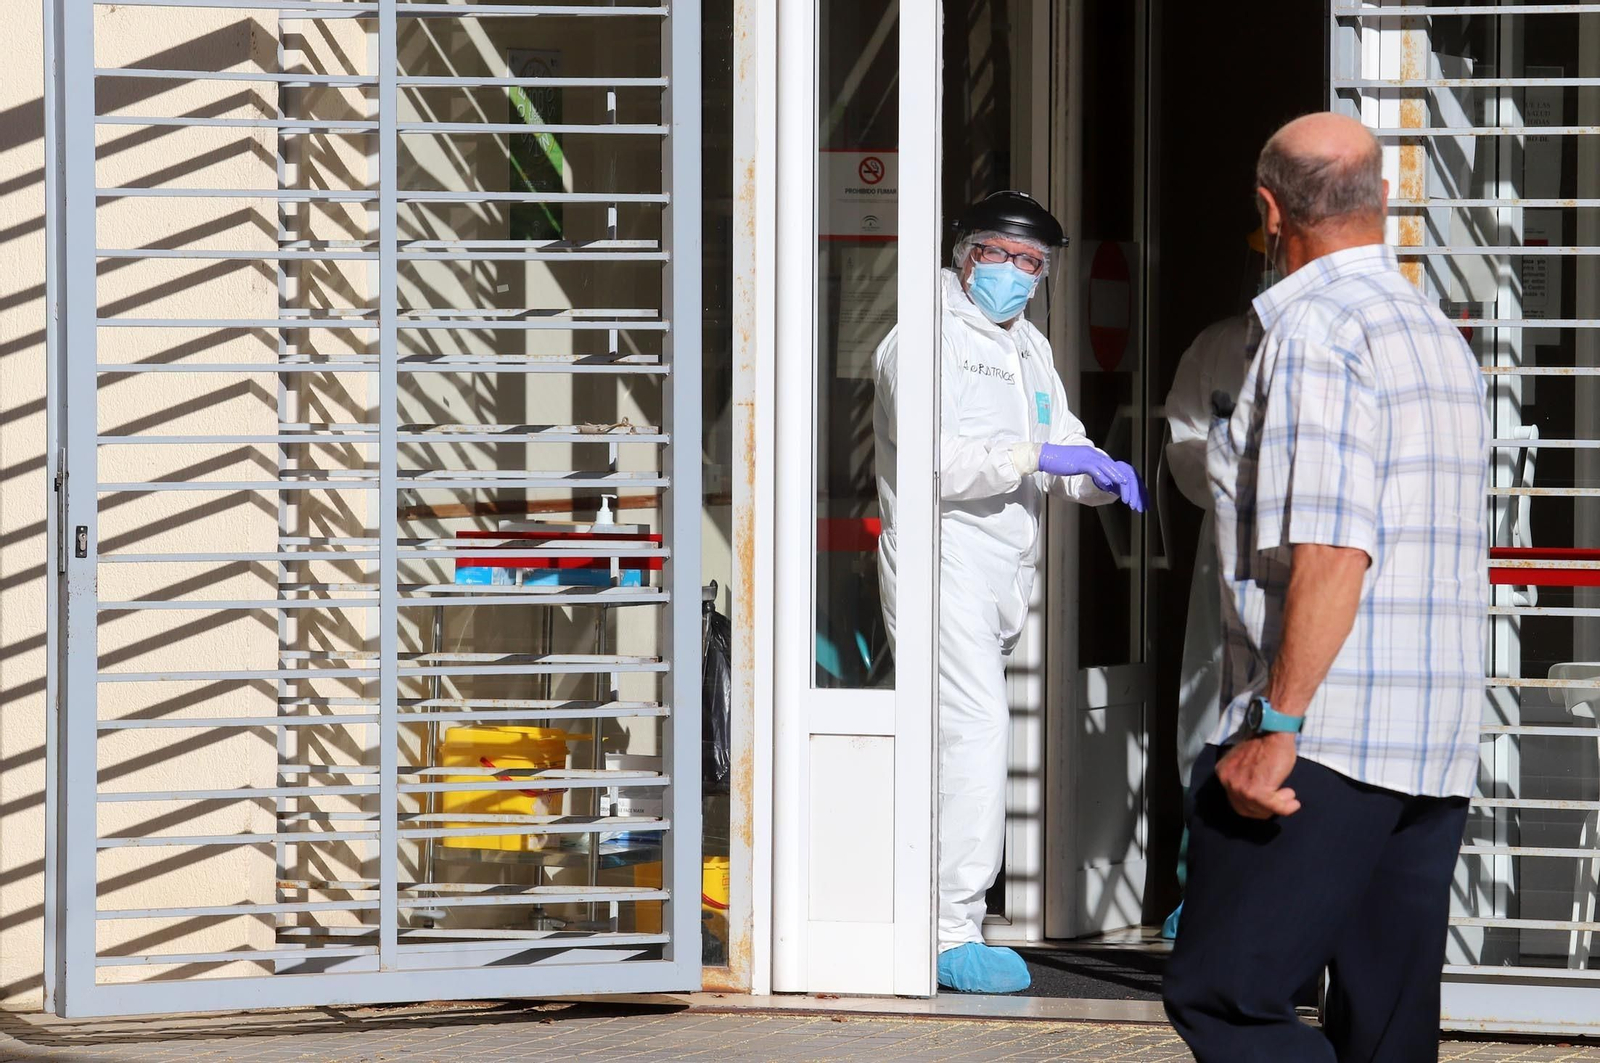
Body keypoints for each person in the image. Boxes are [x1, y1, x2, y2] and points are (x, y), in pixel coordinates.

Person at [1161, 113, 1488, 1061]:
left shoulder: (1315, 331)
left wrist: (1277, 726)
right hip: (1429, 742)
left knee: (1226, 995)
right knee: (1387, 1027)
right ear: (1381, 199)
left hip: (1326, 739)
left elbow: (1335, 548)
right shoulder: (1433, 331)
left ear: (1271, 211)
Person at [874, 191, 1147, 994]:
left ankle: (941, 914)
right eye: (1011, 257)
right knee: (977, 736)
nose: (1023, 276)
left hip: (999, 575)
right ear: (970, 256)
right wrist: (1035, 457)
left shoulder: (1028, 345)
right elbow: (937, 460)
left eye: (1037, 264)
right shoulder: (922, 338)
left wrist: (1097, 473)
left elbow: (1060, 439)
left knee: (968, 740)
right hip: (942, 564)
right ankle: (947, 929)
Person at [1160, 229, 1271, 940]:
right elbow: (1184, 451)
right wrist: (1243, 473)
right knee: (1211, 701)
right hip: (1228, 544)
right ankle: (1199, 880)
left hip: (1310, 551)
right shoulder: (1218, 345)